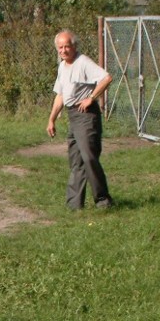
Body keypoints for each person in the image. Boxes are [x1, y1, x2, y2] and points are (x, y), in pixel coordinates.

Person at [46, 30, 114, 210]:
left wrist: (91, 97)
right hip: (72, 116)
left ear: (74, 46)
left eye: (67, 46)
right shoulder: (62, 66)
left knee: (89, 158)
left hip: (86, 115)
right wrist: (51, 119)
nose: (64, 50)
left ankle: (103, 200)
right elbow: (60, 95)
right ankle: (74, 205)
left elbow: (107, 78)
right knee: (76, 160)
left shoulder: (83, 62)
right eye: (60, 47)